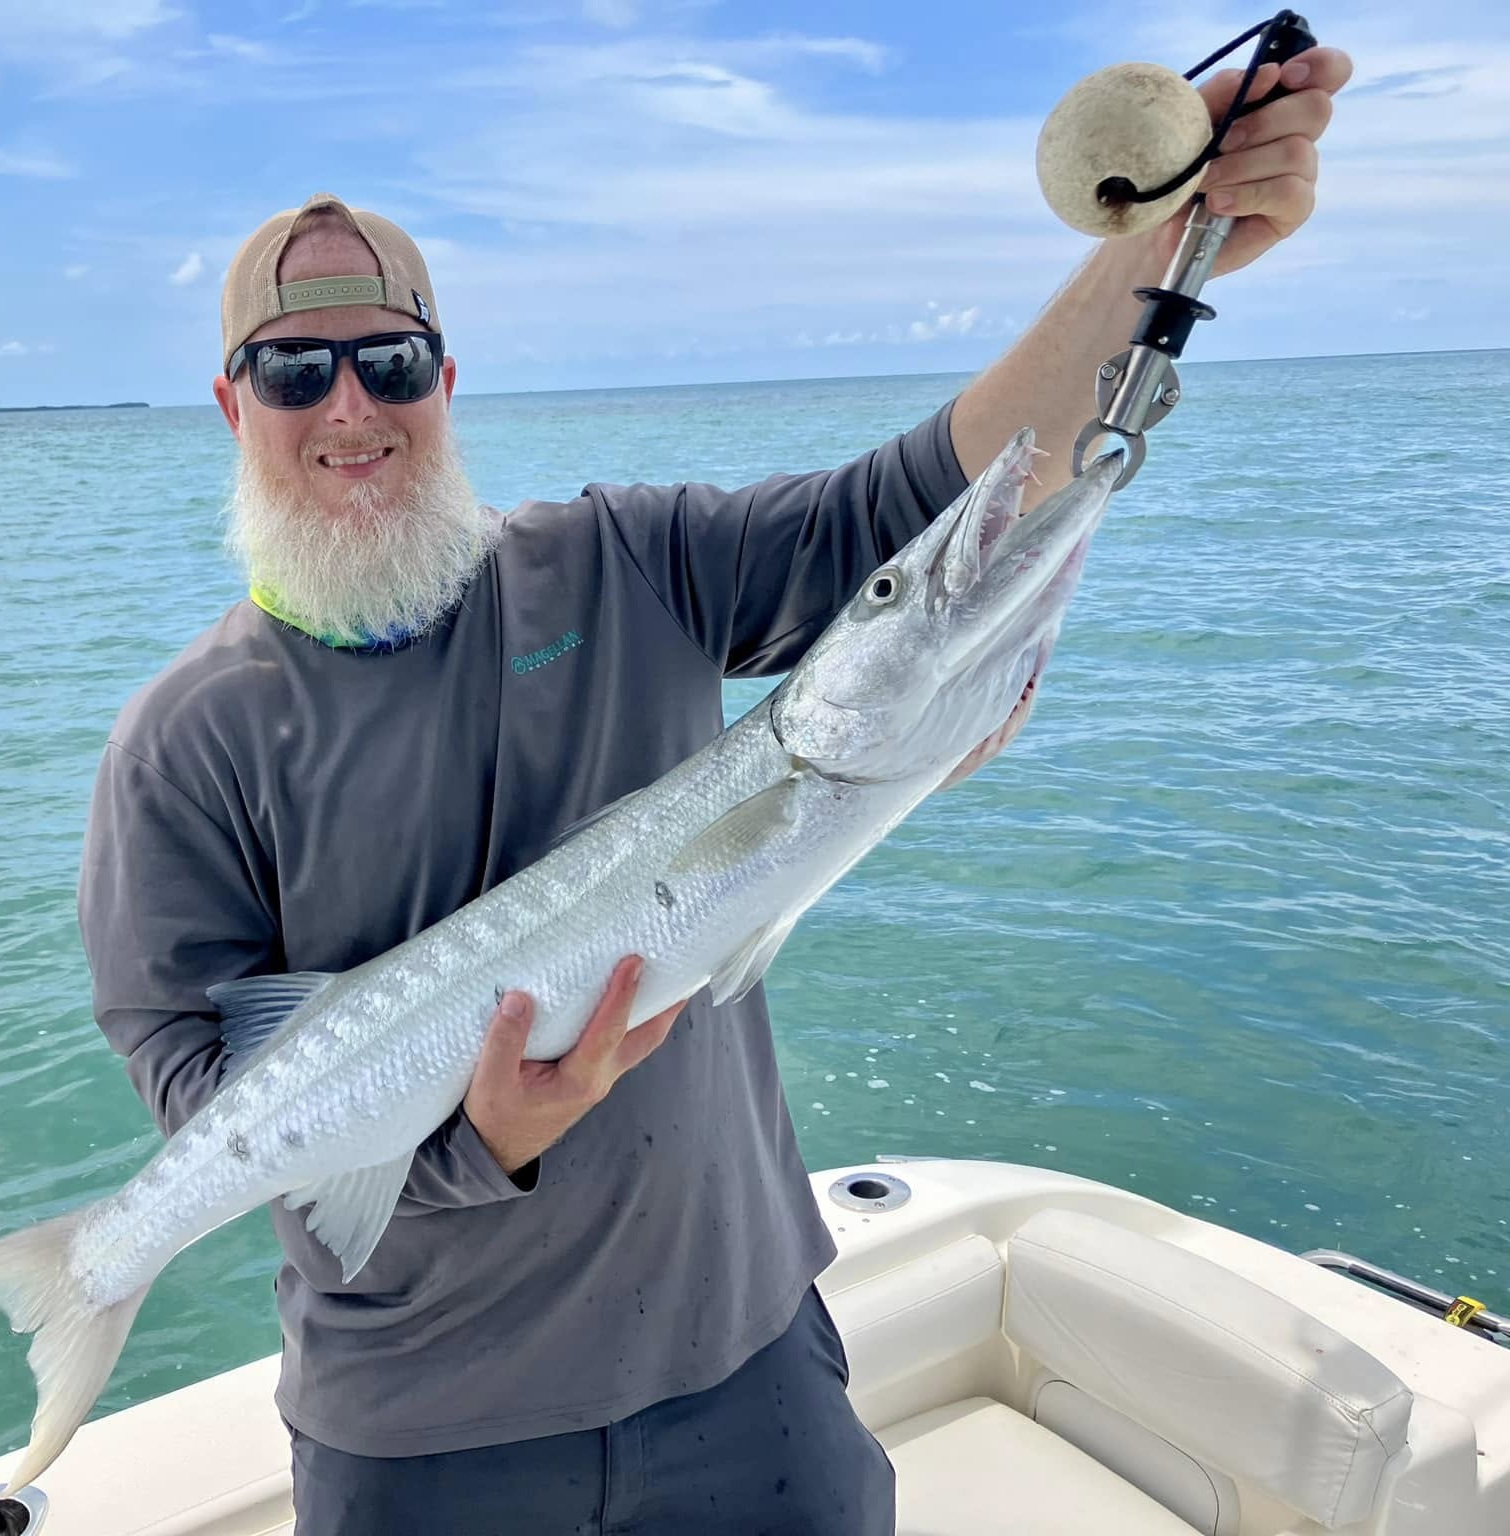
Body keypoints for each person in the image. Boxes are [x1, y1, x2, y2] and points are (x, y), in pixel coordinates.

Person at [78, 49, 1351, 1535]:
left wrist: (1155, 262)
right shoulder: (183, 739)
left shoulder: (628, 563)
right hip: (417, 1432)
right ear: (236, 403)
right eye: (299, 370)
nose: (350, 404)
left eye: (392, 359)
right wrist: (469, 1148)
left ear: (446, 379)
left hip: (743, 1360)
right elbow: (189, 1065)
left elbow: (918, 505)